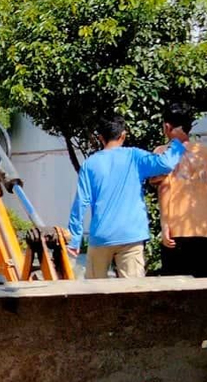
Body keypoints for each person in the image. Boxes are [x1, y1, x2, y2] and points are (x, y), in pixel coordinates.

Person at [68, 115, 185, 279]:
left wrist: (74, 240)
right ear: (123, 135)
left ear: (100, 137)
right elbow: (164, 164)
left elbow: (80, 203)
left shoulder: (90, 164)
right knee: (133, 293)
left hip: (101, 235)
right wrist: (177, 143)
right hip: (131, 235)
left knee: (94, 295)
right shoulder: (135, 156)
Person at [153, 103, 207, 277]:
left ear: (167, 126)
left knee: (174, 289)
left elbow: (161, 186)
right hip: (203, 229)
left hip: (174, 229)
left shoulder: (162, 152)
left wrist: (164, 225)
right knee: (202, 287)